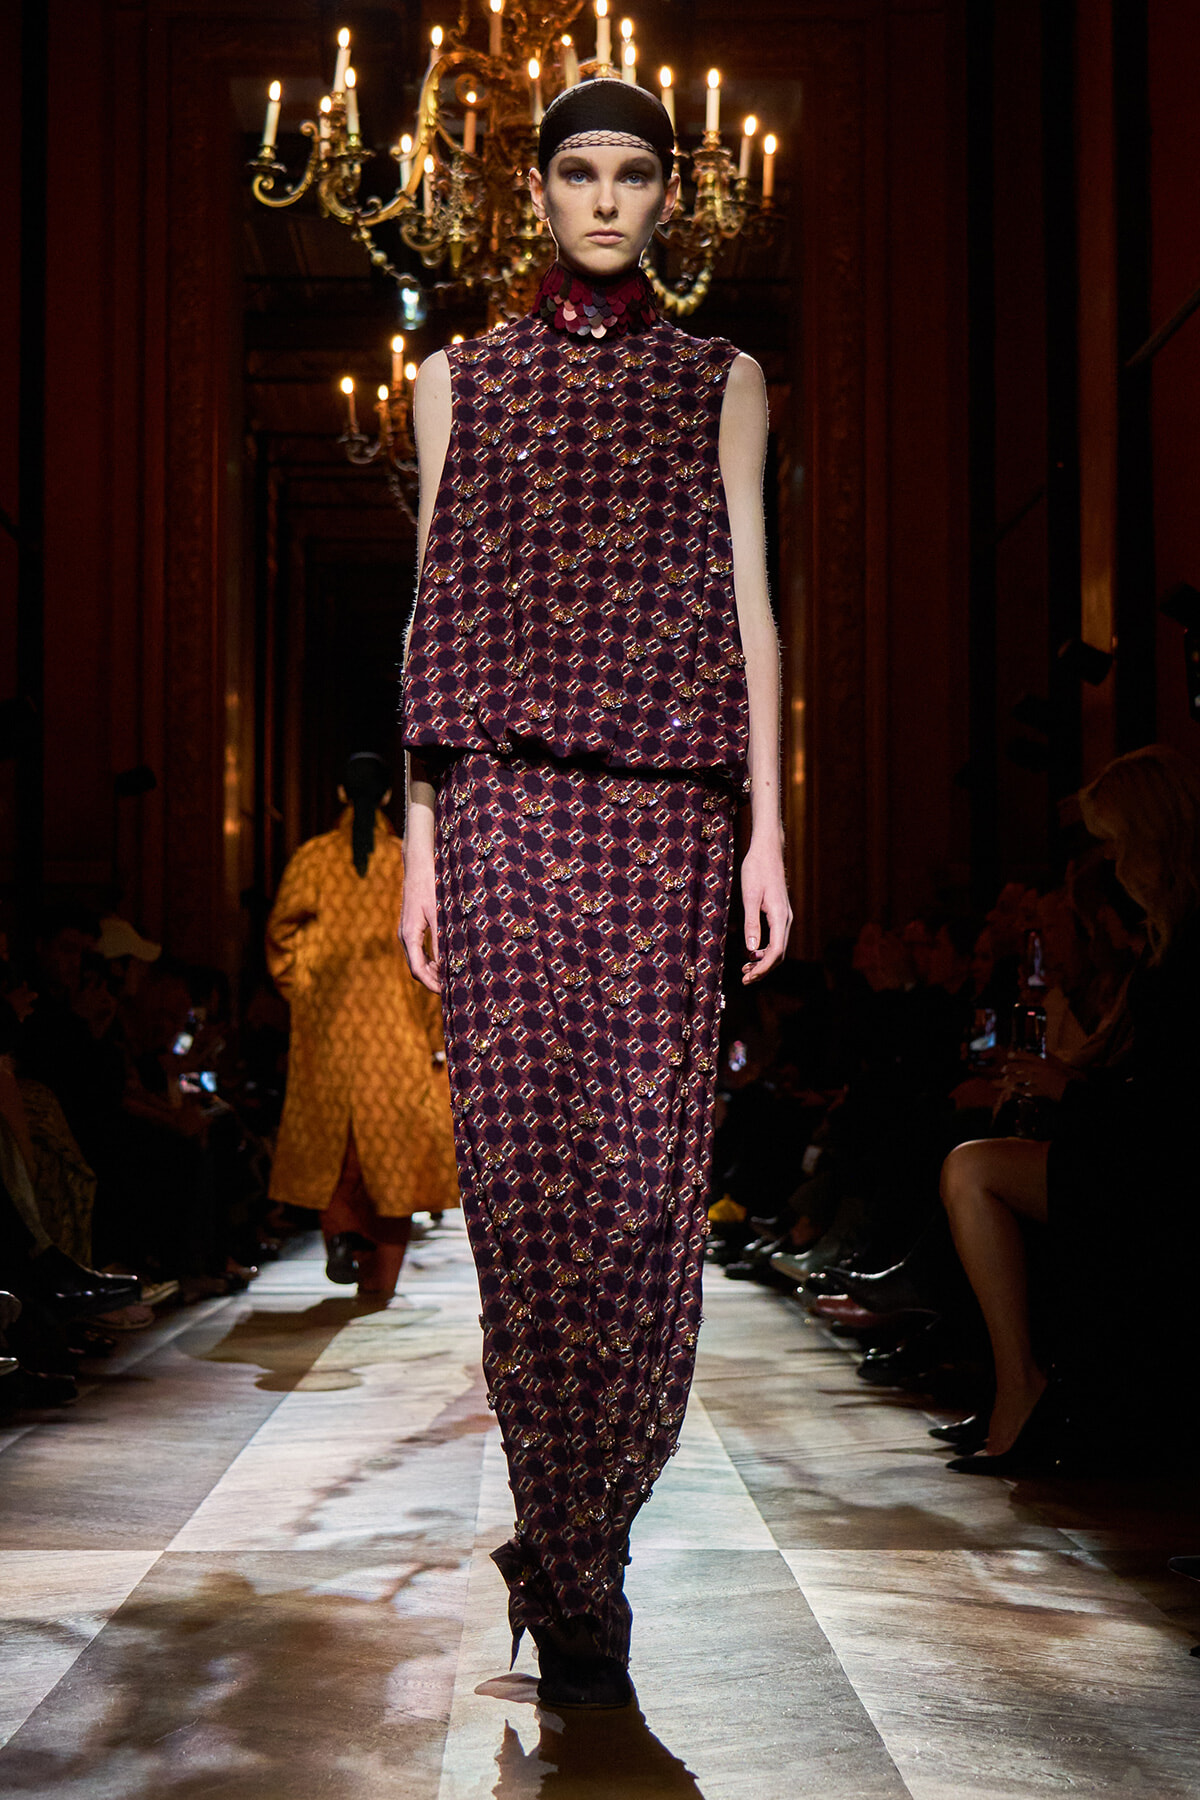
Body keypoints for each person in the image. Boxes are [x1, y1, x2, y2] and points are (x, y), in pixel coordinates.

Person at [400, 78, 790, 1706]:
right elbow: (434, 607)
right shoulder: (454, 386)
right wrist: (420, 844)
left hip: (667, 826)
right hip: (495, 810)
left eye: (637, 173)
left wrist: (771, 833)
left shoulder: (724, 380)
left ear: (670, 196)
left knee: (646, 1204)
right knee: (521, 1198)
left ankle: (573, 1533)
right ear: (538, 195)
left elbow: (753, 607)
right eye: (580, 173)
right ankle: (582, 1581)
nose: (609, 200)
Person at [939, 745, 1200, 1472]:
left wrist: (1071, 1091)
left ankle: (1020, 1387)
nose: (1110, 860)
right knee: (973, 1151)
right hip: (1143, 1151)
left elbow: (1173, 1104)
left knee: (972, 1172)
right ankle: (1013, 1384)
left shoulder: (1185, 948)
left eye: (1115, 841)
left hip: (1163, 1171)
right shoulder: (1170, 941)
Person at [266, 753, 457, 1298]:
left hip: (328, 1035)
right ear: (392, 799)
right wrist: (430, 1034)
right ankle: (379, 1282)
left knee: (339, 1141)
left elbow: (281, 935)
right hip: (395, 1035)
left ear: (342, 796)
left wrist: (305, 992)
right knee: (390, 1148)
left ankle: (343, 1238)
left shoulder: (311, 860)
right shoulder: (407, 861)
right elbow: (431, 954)